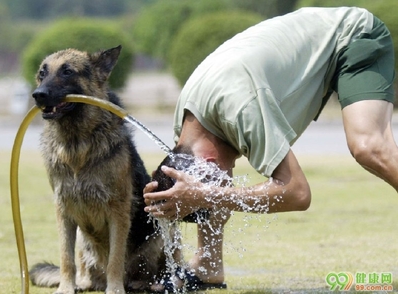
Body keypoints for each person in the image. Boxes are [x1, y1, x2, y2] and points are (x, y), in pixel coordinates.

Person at [143, 6, 396, 292]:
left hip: (353, 35)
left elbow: (297, 193)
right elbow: (205, 183)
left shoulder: (241, 108)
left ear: (209, 161)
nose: (217, 196)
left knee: (369, 146)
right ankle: (208, 264)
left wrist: (205, 193)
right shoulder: (188, 132)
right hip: (312, 40)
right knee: (208, 187)